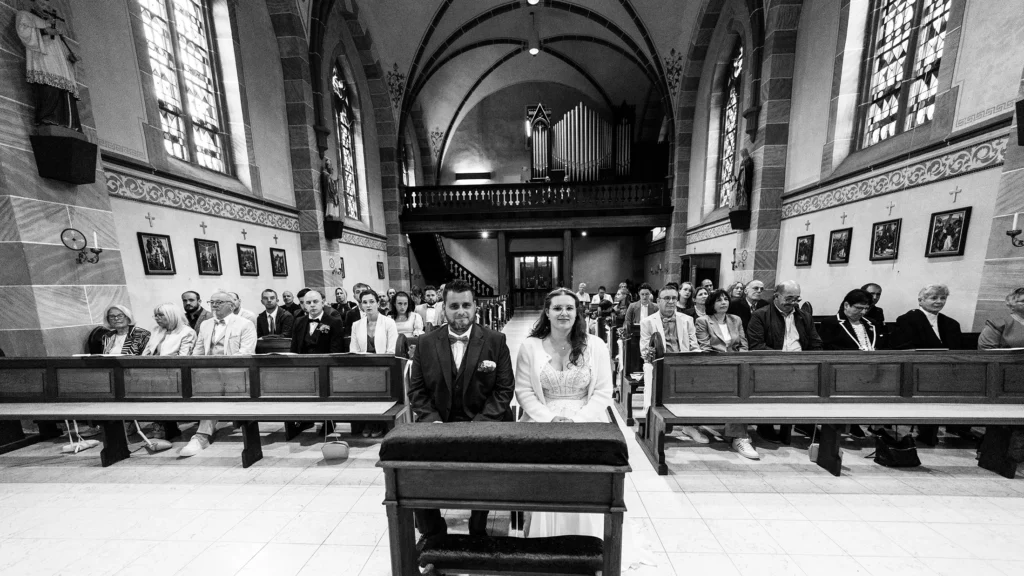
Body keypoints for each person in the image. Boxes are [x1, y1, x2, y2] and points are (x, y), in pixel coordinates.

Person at [407, 279, 514, 544]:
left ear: (475, 306)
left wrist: (480, 423)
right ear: (444, 308)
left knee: (486, 462)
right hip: (439, 423)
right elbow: (417, 390)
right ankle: (433, 532)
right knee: (412, 467)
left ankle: (478, 524)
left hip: (483, 422)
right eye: (454, 306)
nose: (461, 311)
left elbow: (504, 389)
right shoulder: (426, 343)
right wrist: (432, 421)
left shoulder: (495, 341)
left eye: (466, 305)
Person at [891, 284, 972, 441]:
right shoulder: (907, 320)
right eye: (934, 298)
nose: (939, 301)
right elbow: (903, 347)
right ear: (920, 300)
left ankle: (959, 427)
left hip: (949, 370)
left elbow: (958, 350)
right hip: (919, 371)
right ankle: (927, 433)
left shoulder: (951, 323)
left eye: (943, 298)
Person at [183, 291, 257, 457]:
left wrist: (222, 370)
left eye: (219, 302)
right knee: (203, 388)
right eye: (212, 302)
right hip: (209, 374)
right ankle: (202, 433)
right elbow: (198, 351)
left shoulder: (245, 324)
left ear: (231, 305)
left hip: (237, 375)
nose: (215, 305)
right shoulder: (206, 324)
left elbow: (246, 353)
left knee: (213, 392)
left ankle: (201, 436)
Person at [747, 281, 822, 442]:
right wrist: (783, 359)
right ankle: (765, 425)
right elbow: (756, 346)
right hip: (770, 365)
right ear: (776, 296)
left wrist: (810, 361)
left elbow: (816, 343)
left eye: (797, 299)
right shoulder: (761, 315)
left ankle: (804, 423)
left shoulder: (804, 317)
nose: (793, 303)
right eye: (789, 298)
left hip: (801, 365)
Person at [695, 289, 756, 458]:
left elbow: (743, 344)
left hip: (737, 365)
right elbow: (705, 348)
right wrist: (725, 363)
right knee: (736, 390)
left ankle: (738, 434)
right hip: (714, 367)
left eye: (726, 299)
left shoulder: (735, 319)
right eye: (719, 300)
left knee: (744, 387)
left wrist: (741, 363)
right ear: (711, 304)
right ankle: (738, 435)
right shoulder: (703, 321)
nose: (724, 302)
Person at [639, 284, 704, 443]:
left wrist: (697, 360)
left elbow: (694, 345)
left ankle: (690, 426)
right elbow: (644, 350)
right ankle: (657, 424)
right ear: (658, 301)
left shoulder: (687, 320)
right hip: (660, 366)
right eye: (667, 298)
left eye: (674, 298)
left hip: (683, 365)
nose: (671, 301)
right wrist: (651, 356)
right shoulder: (648, 322)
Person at [818, 288, 884, 438]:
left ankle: (874, 424)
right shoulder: (831, 323)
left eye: (866, 308)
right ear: (846, 305)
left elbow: (883, 344)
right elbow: (826, 348)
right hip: (844, 370)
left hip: (872, 368)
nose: (863, 312)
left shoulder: (872, 323)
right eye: (859, 308)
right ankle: (849, 423)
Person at [141, 303, 194, 440]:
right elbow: (147, 351)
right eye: (155, 315)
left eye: (160, 315)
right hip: (153, 371)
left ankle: (167, 428)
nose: (157, 318)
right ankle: (160, 425)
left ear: (171, 315)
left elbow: (184, 357)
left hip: (175, 373)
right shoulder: (156, 330)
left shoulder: (186, 332)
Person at [291, 290, 345, 354]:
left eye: (315, 301)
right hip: (302, 359)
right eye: (308, 302)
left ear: (322, 303)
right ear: (305, 305)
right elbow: (294, 348)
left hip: (326, 359)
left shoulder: (335, 322)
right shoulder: (298, 321)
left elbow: (336, 350)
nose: (312, 305)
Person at [350, 289, 398, 355]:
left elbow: (392, 350)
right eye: (365, 302)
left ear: (378, 304)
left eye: (372, 302)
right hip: (362, 361)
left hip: (385, 360)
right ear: (361, 305)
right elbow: (354, 351)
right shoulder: (356, 325)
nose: (368, 305)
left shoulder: (389, 323)